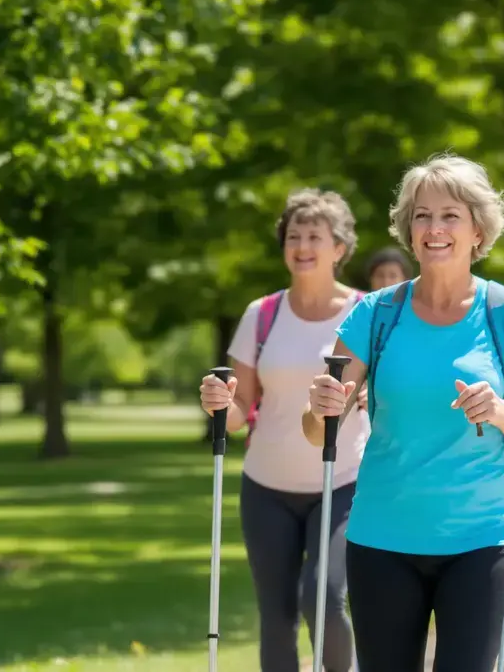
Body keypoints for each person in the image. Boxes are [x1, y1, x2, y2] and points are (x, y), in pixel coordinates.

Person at [300, 154, 504, 671]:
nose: (434, 228)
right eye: (422, 215)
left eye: (450, 215)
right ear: (409, 230)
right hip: (383, 535)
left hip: (483, 535)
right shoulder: (376, 313)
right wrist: (320, 406)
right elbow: (317, 427)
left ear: (478, 229)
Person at [198, 188, 367, 672]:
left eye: (316, 235)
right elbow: (241, 408)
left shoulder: (365, 312)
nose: (303, 245)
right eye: (294, 236)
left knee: (325, 597)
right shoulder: (262, 314)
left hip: (344, 481)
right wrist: (220, 406)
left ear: (340, 247)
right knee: (276, 618)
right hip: (267, 486)